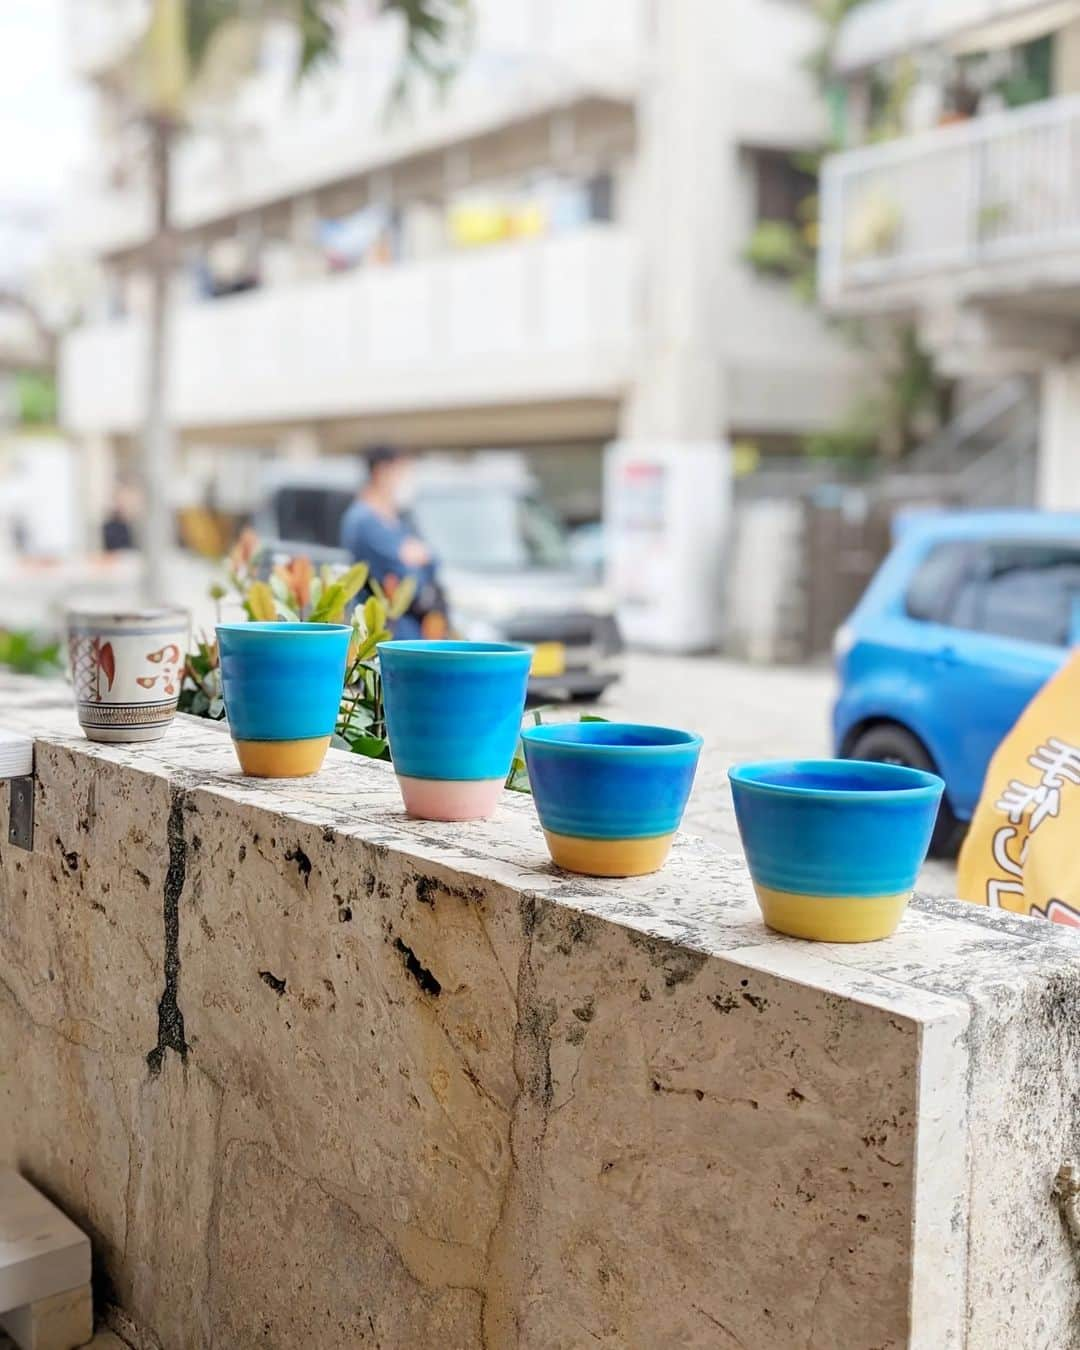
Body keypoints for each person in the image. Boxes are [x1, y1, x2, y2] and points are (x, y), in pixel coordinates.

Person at [339, 446, 447, 638]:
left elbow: (432, 562)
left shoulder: (398, 518)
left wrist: (420, 559)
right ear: (382, 472)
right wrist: (415, 560)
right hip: (385, 631)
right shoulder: (364, 520)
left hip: (411, 630)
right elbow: (406, 579)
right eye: (402, 472)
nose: (405, 480)